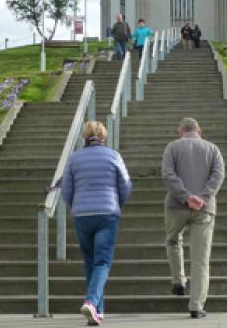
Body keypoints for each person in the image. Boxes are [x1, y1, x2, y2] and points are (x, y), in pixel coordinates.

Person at [61, 121, 132, 326]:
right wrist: (118, 203)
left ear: (85, 136)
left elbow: (66, 189)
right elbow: (125, 185)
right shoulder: (113, 156)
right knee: (102, 262)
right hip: (107, 214)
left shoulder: (74, 158)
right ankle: (92, 302)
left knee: (90, 261)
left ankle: (97, 312)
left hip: (82, 215)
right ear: (104, 136)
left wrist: (75, 207)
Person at [161, 118, 225, 319]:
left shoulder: (172, 147)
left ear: (180, 131)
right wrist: (203, 198)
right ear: (199, 130)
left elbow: (168, 174)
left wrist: (185, 197)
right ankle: (196, 306)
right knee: (200, 259)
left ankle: (178, 280)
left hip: (176, 206)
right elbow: (218, 175)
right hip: (204, 210)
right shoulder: (213, 149)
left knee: (173, 240)